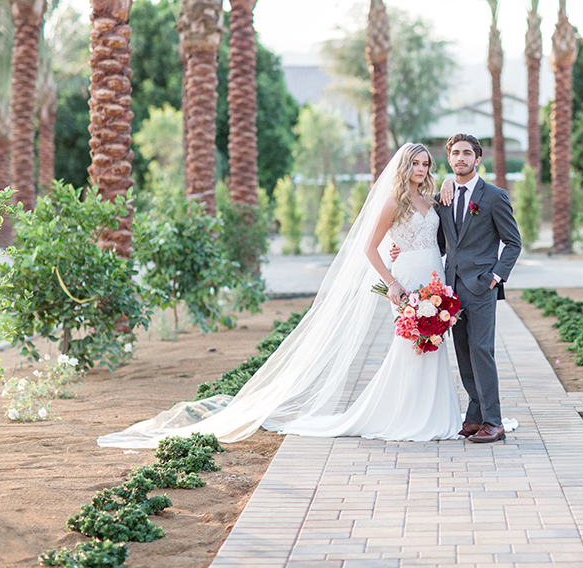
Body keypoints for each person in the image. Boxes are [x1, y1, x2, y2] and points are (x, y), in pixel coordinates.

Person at [98, 143, 463, 447]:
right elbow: (370, 248)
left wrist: (446, 182)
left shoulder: (431, 200)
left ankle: (435, 413)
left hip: (434, 273)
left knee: (435, 341)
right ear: (403, 166)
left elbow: (442, 227)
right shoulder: (392, 203)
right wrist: (393, 282)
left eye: (425, 163)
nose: (420, 168)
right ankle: (406, 415)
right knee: (411, 343)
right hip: (407, 279)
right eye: (414, 163)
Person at [436, 133, 522, 443]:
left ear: (477, 159)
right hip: (452, 289)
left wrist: (496, 276)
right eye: (455, 153)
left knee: (481, 350)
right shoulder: (442, 199)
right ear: (449, 159)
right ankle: (474, 416)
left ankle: (493, 421)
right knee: (462, 352)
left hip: (482, 287)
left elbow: (513, 242)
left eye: (466, 153)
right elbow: (440, 243)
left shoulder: (494, 196)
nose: (461, 158)